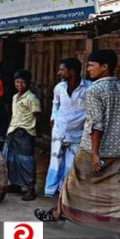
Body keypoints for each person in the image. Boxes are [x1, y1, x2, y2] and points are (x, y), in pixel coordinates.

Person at [35, 50, 120, 239]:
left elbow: (96, 124)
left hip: (92, 148)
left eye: (91, 65)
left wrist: (96, 154)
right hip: (119, 150)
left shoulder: (95, 90)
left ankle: (59, 215)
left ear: (104, 67)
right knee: (119, 191)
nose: (88, 69)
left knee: (72, 185)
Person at [45, 58, 90, 197]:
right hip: (60, 129)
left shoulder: (89, 88)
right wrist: (53, 117)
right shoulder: (59, 87)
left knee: (71, 163)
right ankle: (51, 190)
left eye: (62, 70)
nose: (59, 72)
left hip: (78, 132)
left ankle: (64, 191)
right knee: (55, 160)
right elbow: (55, 103)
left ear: (72, 71)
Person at [4, 70, 42, 201]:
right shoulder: (15, 97)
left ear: (28, 83)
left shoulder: (32, 98)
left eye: (23, 82)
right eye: (17, 82)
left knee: (26, 160)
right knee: (11, 159)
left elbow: (38, 116)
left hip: (25, 132)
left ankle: (30, 188)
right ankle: (15, 184)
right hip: (13, 130)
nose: (20, 85)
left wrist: (37, 134)